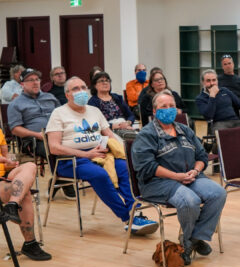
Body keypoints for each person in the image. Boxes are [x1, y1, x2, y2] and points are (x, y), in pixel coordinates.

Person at [45, 77, 159, 235]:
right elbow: (54, 147)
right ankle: (129, 218)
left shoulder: (94, 111)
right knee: (100, 175)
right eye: (76, 89)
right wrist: (86, 154)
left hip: (100, 153)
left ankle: (136, 211)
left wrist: (123, 153)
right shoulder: (59, 113)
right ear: (67, 94)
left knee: (125, 168)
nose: (81, 91)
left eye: (83, 87)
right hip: (71, 159)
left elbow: (110, 135)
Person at [132, 90, 227, 265]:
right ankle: (192, 241)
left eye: (172, 106)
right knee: (190, 201)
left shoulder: (184, 129)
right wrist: (176, 176)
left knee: (218, 193)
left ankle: (192, 238)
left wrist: (196, 171)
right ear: (154, 111)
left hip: (190, 177)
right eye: (163, 106)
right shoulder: (146, 135)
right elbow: (147, 167)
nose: (169, 109)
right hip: (158, 183)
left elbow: (201, 156)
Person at [0, 131, 52, 261]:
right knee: (25, 194)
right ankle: (30, 243)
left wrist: (9, 163)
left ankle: (12, 205)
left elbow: (6, 157)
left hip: (3, 179)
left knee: (30, 165)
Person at [8, 68, 61, 160]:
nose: (35, 82)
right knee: (58, 151)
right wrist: (37, 135)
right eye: (31, 80)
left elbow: (62, 115)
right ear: (22, 84)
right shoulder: (15, 104)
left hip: (59, 135)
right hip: (36, 141)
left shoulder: (50, 97)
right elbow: (15, 129)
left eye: (37, 79)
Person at [88, 71, 137, 139]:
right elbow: (94, 123)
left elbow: (131, 115)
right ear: (95, 85)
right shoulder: (92, 102)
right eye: (101, 81)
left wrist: (128, 123)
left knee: (140, 138)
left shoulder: (117, 98)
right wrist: (112, 126)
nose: (105, 82)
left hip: (125, 126)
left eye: (107, 80)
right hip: (107, 131)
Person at [196, 69, 240, 135]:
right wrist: (212, 96)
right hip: (219, 123)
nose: (212, 83)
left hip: (235, 121)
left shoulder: (224, 90)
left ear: (217, 81)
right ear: (203, 82)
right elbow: (209, 116)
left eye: (214, 80)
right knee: (224, 138)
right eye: (208, 81)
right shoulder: (200, 98)